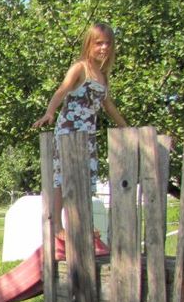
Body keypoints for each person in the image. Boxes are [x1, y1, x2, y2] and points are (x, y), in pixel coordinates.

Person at [32, 22, 128, 256]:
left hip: (87, 135)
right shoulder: (80, 68)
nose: (103, 47)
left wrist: (126, 127)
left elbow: (108, 105)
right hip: (69, 130)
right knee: (63, 178)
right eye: (98, 43)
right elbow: (62, 90)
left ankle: (81, 223)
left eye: (107, 43)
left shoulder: (103, 76)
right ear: (89, 44)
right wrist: (50, 112)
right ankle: (58, 225)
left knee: (84, 178)